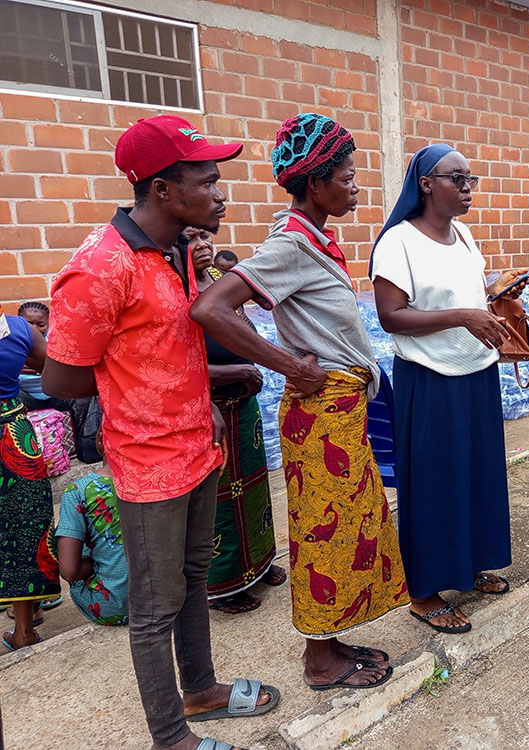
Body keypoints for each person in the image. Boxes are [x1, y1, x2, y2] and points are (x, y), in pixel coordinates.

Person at [44, 115, 277, 750]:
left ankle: (200, 691)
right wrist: (140, 384)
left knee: (195, 576)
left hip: (198, 447)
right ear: (163, 190)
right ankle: (170, 738)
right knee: (154, 608)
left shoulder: (178, 252)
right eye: (209, 180)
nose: (221, 192)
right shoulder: (100, 266)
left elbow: (177, 343)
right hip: (147, 464)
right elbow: (63, 381)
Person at [192, 114, 407, 690]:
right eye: (348, 176)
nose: (356, 186)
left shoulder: (314, 242)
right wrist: (287, 363)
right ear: (315, 184)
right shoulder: (291, 245)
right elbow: (210, 309)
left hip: (341, 407)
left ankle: (331, 638)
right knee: (325, 530)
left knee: (349, 526)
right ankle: (318, 660)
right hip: (321, 411)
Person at [369, 142, 527, 633]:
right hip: (430, 379)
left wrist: (495, 292)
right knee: (434, 483)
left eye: (470, 179)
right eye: (456, 178)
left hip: (477, 373)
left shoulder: (463, 235)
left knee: (475, 475)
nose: (467, 188)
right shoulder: (398, 242)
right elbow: (390, 316)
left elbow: (469, 294)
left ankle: (468, 564)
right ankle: (422, 591)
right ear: (425, 184)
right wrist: (462, 315)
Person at [186, 228, 284, 615]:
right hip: (209, 407)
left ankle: (256, 566)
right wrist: (235, 370)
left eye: (204, 238)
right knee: (220, 499)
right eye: (190, 239)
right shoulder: (176, 293)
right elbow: (175, 365)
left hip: (243, 406)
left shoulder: (216, 283)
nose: (202, 246)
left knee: (255, 488)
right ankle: (223, 585)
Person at [0, 309, 59, 651]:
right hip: (13, 436)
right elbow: (51, 371)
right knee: (23, 528)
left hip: (13, 440)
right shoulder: (19, 329)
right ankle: (25, 630)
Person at [55, 425, 129, 625]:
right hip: (166, 597)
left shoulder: (78, 490)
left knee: (86, 536)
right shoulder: (160, 479)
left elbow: (68, 571)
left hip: (113, 606)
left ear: (99, 442)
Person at [16, 302, 73, 414]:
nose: (34, 329)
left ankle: (87, 431)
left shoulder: (59, 340)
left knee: (87, 394)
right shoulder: (11, 341)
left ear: (49, 324)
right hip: (23, 396)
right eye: (29, 324)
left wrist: (46, 367)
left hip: (57, 395)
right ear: (19, 322)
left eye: (41, 325)